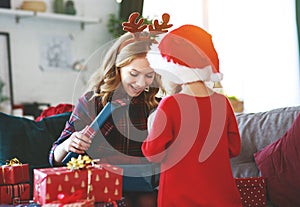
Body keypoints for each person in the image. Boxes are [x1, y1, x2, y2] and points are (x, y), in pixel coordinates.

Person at [49, 12, 172, 207]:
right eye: (134, 73)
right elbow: (55, 158)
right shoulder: (91, 102)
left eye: (149, 75)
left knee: (149, 200)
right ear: (117, 67)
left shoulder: (156, 105)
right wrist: (69, 144)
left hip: (143, 186)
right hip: (101, 186)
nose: (141, 83)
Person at [142, 24, 243, 207]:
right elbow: (234, 149)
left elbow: (153, 154)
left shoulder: (170, 105)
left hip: (180, 199)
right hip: (223, 199)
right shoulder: (223, 103)